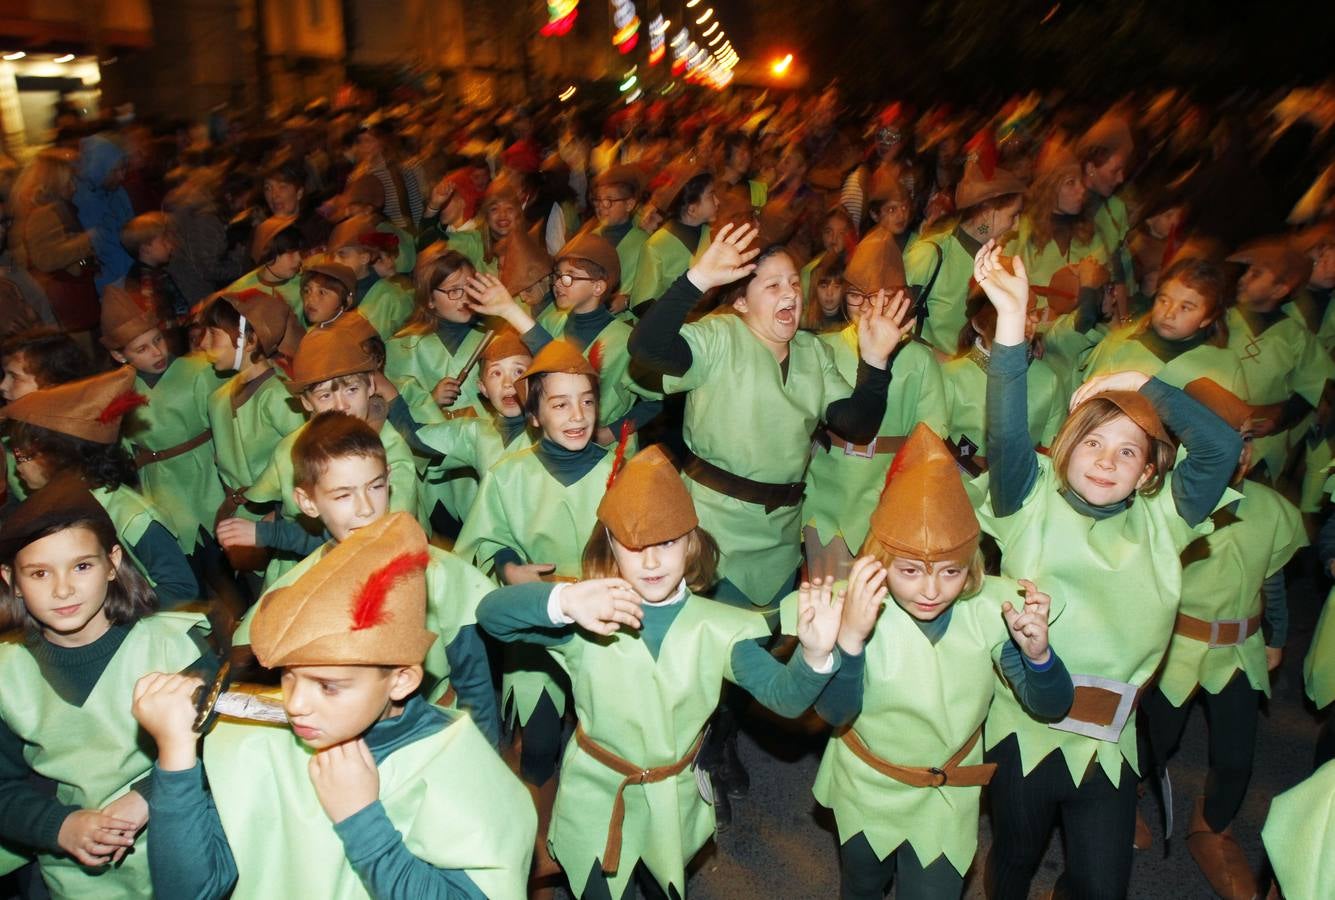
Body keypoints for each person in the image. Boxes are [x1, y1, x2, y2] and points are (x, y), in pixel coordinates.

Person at [971, 240, 1240, 899]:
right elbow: (1005, 433)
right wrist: (1010, 322)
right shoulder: (1025, 499)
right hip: (1026, 734)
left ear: (1148, 472)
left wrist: (1137, 385)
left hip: (1110, 744)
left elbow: (1220, 446)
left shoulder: (1162, 518)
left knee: (1101, 887)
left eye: (1127, 451)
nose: (1105, 459)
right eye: (1091, 440)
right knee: (1010, 865)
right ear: (1065, 447)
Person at [476, 445, 844, 899]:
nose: (650, 562)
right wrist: (564, 600)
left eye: (666, 543)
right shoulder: (587, 615)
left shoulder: (720, 627)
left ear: (691, 543)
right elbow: (491, 615)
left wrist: (815, 655)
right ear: (609, 545)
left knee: (663, 884)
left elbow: (785, 698)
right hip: (597, 792)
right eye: (633, 546)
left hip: (672, 797)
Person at [134, 512, 536, 900]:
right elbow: (189, 889)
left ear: (401, 679)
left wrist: (362, 821)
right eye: (289, 675)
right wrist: (176, 758)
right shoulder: (256, 737)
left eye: (329, 686)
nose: (296, 704)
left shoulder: (455, 763)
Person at [798, 424, 1072, 900]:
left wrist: (1039, 657)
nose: (930, 591)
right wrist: (850, 641)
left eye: (950, 571)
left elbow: (1051, 706)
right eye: (909, 571)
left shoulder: (994, 611)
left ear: (972, 564)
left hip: (946, 797)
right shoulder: (849, 608)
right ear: (878, 563)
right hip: (867, 786)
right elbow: (834, 714)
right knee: (861, 884)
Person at [629, 223, 911, 612]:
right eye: (773, 286)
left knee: (766, 649)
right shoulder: (718, 338)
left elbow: (856, 424)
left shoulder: (812, 353)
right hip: (714, 529)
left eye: (795, 284)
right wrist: (697, 280)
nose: (791, 294)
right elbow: (646, 347)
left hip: (780, 536)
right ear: (741, 302)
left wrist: (876, 362)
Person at [0, 476, 213, 898]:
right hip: (74, 877)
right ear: (12, 580)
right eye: (40, 573)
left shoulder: (174, 647)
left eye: (82, 566)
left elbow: (224, 749)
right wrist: (58, 826)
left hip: (185, 858)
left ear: (113, 562)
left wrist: (148, 796)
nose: (63, 589)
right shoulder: (7, 674)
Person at [1139, 379, 1305, 900]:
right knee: (1151, 743)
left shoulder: (1273, 511)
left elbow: (1272, 578)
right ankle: (1123, 803)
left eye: (1244, 439)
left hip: (1239, 651)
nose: (1240, 452)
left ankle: (1212, 825)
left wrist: (1275, 634)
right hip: (1173, 650)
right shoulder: (1166, 505)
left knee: (1237, 756)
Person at [455, 340, 612, 838]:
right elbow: (480, 543)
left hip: (609, 631)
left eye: (587, 400)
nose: (577, 414)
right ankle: (537, 842)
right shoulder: (508, 476)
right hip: (535, 629)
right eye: (560, 403)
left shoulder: (622, 470)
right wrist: (506, 569)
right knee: (540, 744)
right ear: (536, 415)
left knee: (606, 737)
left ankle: (600, 836)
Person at [232, 320, 425, 587]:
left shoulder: (390, 452)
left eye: (352, 389)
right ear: (306, 401)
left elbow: (392, 536)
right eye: (325, 396)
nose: (342, 405)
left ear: (371, 385)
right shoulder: (290, 447)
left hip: (375, 573)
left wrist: (274, 532)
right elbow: (268, 499)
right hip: (300, 568)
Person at [802, 231, 948, 583]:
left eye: (878, 297)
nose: (866, 307)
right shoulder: (820, 348)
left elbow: (931, 440)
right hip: (826, 499)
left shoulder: (919, 360)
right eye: (855, 295)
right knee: (824, 601)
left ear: (899, 299)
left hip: (888, 496)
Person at [1, 365, 200, 606]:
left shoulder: (131, 516)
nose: (18, 467)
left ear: (58, 456)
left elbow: (182, 588)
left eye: (24, 456)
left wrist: (114, 617)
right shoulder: (56, 508)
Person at [100, 285, 228, 583]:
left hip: (208, 473)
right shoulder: (118, 393)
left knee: (225, 551)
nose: (157, 352)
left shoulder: (199, 370)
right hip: (161, 483)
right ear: (120, 356)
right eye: (141, 349)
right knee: (188, 561)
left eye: (157, 340)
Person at [197, 289, 306, 575]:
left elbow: (306, 464)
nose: (204, 344)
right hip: (239, 519)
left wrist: (280, 516)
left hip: (281, 521)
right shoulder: (218, 398)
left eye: (214, 334)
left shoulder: (279, 396)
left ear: (250, 339)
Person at [906, 131, 1026, 359]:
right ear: (987, 211)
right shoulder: (931, 253)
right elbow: (896, 321)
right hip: (928, 378)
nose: (1017, 226)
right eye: (1013, 215)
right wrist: (942, 360)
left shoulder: (994, 262)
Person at [1224, 237, 1332, 481]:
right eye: (1247, 271)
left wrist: (1280, 417)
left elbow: (1317, 386)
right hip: (1208, 431)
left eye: (1256, 274)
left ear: (1279, 290)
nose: (1244, 279)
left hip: (1259, 449)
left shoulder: (1296, 337)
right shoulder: (1221, 319)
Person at [1083, 256, 1247, 397]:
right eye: (1164, 300)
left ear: (1207, 318)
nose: (1169, 314)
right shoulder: (1116, 346)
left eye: (1185, 307)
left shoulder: (1225, 367)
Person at [941, 287, 1061, 471]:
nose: (1033, 320)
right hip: (956, 485)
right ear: (980, 324)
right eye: (1019, 313)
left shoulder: (1049, 380)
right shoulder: (951, 376)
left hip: (1022, 490)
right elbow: (932, 440)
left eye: (1032, 312)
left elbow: (1050, 448)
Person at [10, 149, 98, 345]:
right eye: (69, 182)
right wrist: (86, 240)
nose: (74, 187)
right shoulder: (44, 214)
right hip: (64, 299)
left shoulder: (50, 209)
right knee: (81, 351)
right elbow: (46, 259)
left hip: (65, 297)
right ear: (55, 182)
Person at [627, 164, 717, 315]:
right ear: (692, 209)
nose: (717, 201)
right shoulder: (656, 246)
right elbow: (642, 304)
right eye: (710, 195)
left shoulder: (714, 236)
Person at [326, 214, 414, 339]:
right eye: (332, 256)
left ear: (364, 258)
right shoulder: (332, 291)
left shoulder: (392, 297)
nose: (335, 261)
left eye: (342, 255)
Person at [587, 165, 650, 307]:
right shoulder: (590, 239)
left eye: (609, 201)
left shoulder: (644, 243)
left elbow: (651, 287)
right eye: (598, 200)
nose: (601, 206)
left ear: (629, 204)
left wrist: (628, 300)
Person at [121, 212, 190, 338]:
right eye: (164, 241)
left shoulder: (156, 273)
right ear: (146, 249)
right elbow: (154, 324)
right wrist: (186, 320)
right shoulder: (145, 281)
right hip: (170, 344)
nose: (170, 245)